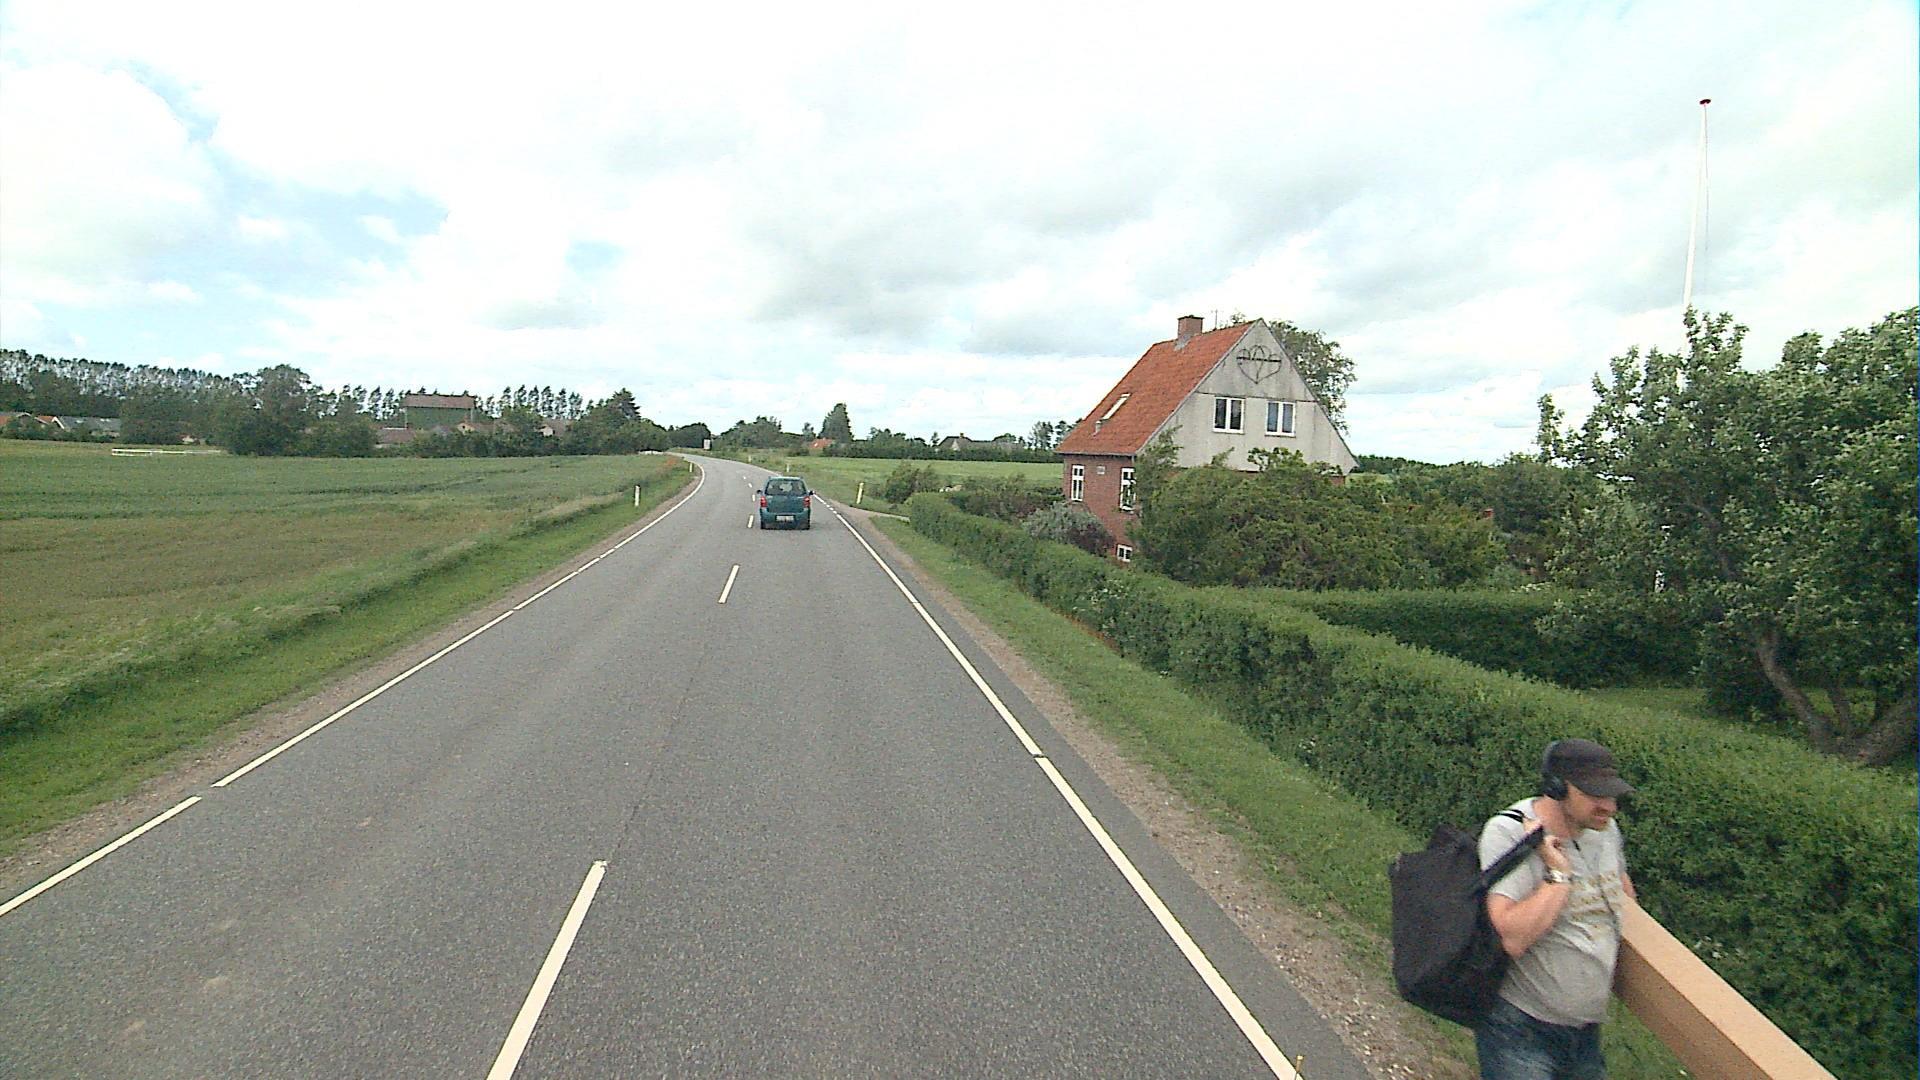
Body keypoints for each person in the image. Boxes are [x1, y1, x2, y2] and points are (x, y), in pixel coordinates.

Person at [1475, 739, 1638, 1080]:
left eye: (1612, 795)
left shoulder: (1605, 831)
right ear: (1557, 788)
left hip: (1584, 1034)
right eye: (1595, 795)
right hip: (1520, 1030)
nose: (1609, 807)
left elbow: (1622, 896)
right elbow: (1512, 937)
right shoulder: (1510, 833)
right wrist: (1559, 874)